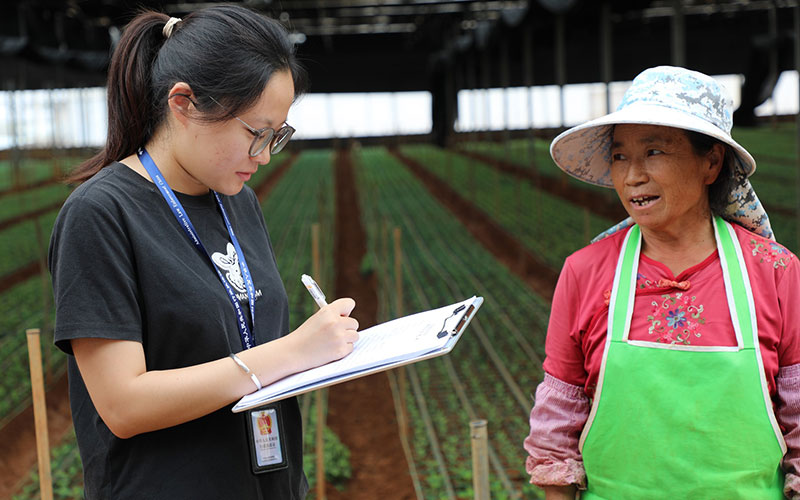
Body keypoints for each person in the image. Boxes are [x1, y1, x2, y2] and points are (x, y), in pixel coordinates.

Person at [48, 6, 359, 499]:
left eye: (277, 135)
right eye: (255, 133)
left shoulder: (238, 202)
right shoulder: (101, 214)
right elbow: (123, 405)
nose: (263, 156)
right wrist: (290, 352)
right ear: (185, 103)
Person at [523, 65, 800, 499]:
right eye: (619, 156)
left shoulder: (775, 272)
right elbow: (557, 422)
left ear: (711, 162)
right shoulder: (585, 271)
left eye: (654, 152)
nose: (632, 175)